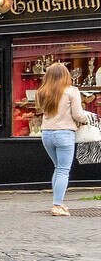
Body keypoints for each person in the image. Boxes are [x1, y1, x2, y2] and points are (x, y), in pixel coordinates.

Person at [37, 61, 97, 216]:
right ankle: (57, 205)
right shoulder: (72, 91)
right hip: (64, 134)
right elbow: (78, 115)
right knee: (63, 170)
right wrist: (88, 117)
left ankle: (58, 203)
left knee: (58, 168)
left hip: (47, 134)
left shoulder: (42, 91)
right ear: (66, 75)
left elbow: (41, 111)